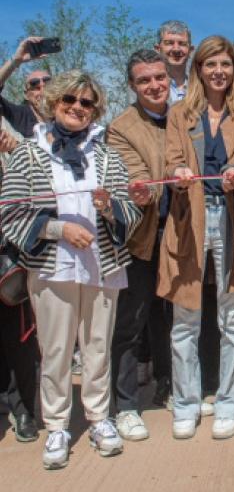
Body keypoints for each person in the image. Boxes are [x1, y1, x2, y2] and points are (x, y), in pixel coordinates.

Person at [0, 70, 143, 469]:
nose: (78, 108)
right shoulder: (29, 152)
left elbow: (130, 211)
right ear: (54, 102)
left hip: (103, 265)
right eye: (70, 101)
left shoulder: (107, 155)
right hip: (52, 267)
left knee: (98, 347)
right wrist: (57, 228)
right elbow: (9, 212)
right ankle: (58, 425)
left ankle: (99, 419)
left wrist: (109, 208)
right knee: (57, 351)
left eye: (87, 103)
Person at [157, 35, 234, 441]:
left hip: (232, 220)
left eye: (225, 64)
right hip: (190, 220)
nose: (218, 71)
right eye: (210, 64)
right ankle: (186, 404)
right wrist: (180, 173)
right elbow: (172, 159)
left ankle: (231, 403)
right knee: (185, 319)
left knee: (233, 318)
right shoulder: (179, 113)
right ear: (199, 69)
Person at [107, 49, 175, 441]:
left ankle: (167, 384)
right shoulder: (121, 126)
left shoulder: (184, 116)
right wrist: (145, 188)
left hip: (182, 234)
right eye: (144, 80)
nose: (153, 85)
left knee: (171, 318)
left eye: (159, 78)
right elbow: (137, 179)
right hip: (141, 238)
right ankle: (126, 404)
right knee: (131, 323)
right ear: (132, 86)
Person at [0, 117, 39, 443]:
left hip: (8, 257)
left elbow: (43, 163)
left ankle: (24, 408)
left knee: (19, 339)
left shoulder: (11, 140)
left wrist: (16, 150)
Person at [0, 36, 50, 137]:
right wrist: (16, 61)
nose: (43, 90)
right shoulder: (20, 115)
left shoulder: (66, 112)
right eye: (36, 87)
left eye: (48, 84)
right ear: (26, 95)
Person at [155, 20, 194, 104]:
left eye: (182, 44)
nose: (176, 49)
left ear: (190, 50)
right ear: (158, 49)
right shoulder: (144, 84)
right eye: (169, 43)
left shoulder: (202, 84)